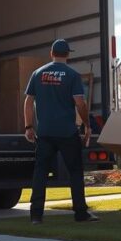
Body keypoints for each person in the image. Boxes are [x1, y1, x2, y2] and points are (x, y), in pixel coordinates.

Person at [24, 39, 98, 224]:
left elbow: (28, 101)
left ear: (51, 53)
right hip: (66, 132)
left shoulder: (38, 73)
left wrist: (28, 126)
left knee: (40, 172)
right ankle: (80, 213)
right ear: (68, 54)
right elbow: (80, 103)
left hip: (45, 132)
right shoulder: (72, 75)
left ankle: (36, 215)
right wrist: (87, 125)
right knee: (75, 171)